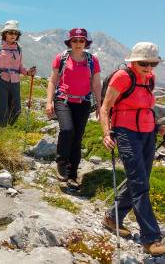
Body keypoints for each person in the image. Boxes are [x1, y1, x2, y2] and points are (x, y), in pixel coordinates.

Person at [100, 42, 165, 256]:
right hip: (126, 133)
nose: (148, 67)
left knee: (141, 179)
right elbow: (105, 107)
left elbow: (146, 106)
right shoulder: (122, 77)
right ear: (134, 61)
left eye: (152, 63)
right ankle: (151, 238)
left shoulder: (149, 79)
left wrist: (158, 126)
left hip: (148, 132)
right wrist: (107, 132)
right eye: (143, 63)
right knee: (139, 183)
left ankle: (113, 217)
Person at [46, 28, 101, 189]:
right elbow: (53, 81)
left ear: (85, 42)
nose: (78, 43)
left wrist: (99, 104)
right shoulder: (61, 58)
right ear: (70, 42)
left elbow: (96, 84)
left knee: (77, 139)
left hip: (83, 102)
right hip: (63, 100)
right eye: (75, 40)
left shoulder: (92, 60)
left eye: (81, 40)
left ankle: (72, 174)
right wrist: (49, 102)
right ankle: (61, 162)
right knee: (67, 130)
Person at [0, 20, 37, 127]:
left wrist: (28, 72)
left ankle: (8, 126)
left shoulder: (19, 48)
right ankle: (2, 132)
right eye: (10, 32)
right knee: (2, 109)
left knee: (17, 109)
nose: (13, 35)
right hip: (0, 80)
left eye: (15, 33)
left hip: (15, 82)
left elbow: (19, 66)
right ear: (5, 34)